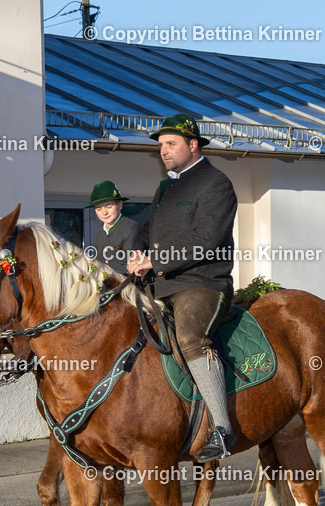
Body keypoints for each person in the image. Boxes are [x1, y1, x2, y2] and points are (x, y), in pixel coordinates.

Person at [128, 113, 239, 462]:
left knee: (191, 337)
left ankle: (222, 429)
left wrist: (155, 263)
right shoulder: (165, 187)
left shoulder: (216, 184)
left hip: (204, 284)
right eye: (160, 145)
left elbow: (206, 240)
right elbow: (149, 229)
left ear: (193, 145)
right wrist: (137, 252)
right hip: (162, 284)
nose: (163, 150)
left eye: (170, 143)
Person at [85, 180, 146, 276]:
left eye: (109, 207)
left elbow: (131, 265)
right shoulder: (100, 232)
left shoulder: (131, 227)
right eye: (98, 209)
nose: (104, 213)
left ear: (120, 205)